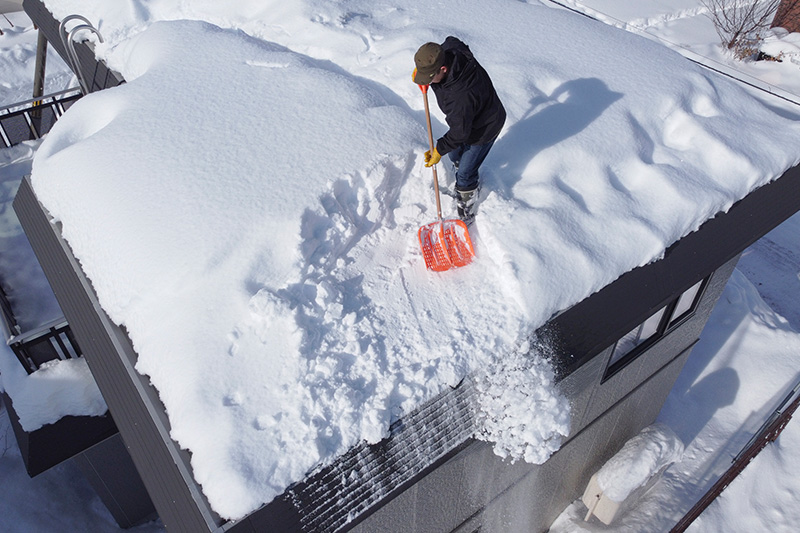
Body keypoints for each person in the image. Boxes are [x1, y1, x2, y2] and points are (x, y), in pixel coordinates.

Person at [413, 36, 506, 223]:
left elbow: (460, 133)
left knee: (464, 173)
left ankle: (467, 209)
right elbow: (452, 40)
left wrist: (438, 149)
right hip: (469, 117)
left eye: (430, 78)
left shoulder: (460, 96)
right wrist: (424, 73)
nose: (428, 82)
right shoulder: (451, 51)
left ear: (443, 69)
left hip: (485, 126)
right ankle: (464, 170)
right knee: (455, 155)